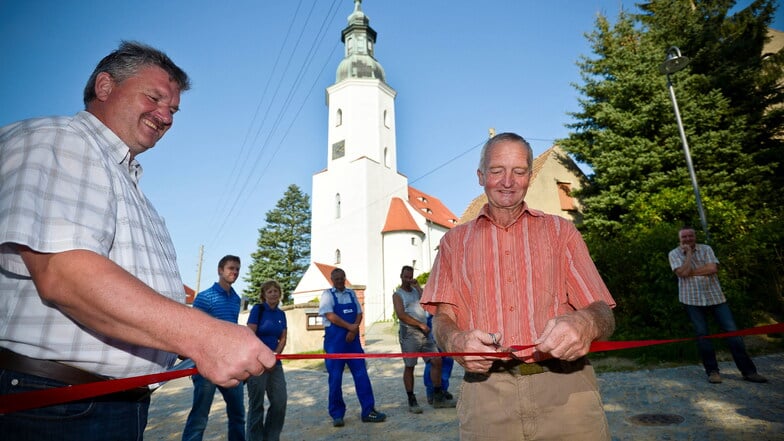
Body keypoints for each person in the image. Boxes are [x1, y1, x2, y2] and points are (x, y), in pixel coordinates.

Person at [0, 41, 275, 441]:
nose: (165, 116)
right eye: (155, 97)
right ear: (105, 86)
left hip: (102, 404)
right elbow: (64, 274)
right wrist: (203, 335)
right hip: (54, 406)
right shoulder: (62, 139)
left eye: (174, 110)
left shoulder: (128, 183)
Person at [421, 132, 617, 441]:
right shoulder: (453, 243)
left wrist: (586, 322)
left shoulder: (561, 231)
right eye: (497, 170)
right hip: (485, 396)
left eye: (519, 171)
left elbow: (603, 311)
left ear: (529, 175)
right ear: (481, 176)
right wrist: (455, 339)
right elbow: (442, 319)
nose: (507, 181)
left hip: (567, 391)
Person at [668, 227, 768, 384]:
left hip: (715, 297)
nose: (688, 239)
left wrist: (689, 271)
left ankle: (749, 372)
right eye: (684, 237)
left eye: (690, 236)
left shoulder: (706, 249)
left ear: (695, 236)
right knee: (703, 336)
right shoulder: (674, 254)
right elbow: (681, 273)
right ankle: (712, 372)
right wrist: (687, 255)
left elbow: (712, 268)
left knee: (733, 333)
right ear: (679, 239)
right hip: (692, 300)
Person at [183, 255, 247, 441]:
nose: (234, 272)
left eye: (237, 269)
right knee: (199, 418)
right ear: (220, 270)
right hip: (206, 367)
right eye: (230, 268)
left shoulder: (236, 299)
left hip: (231, 366)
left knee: (238, 416)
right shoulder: (204, 297)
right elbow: (194, 331)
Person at [319, 268, 386, 427]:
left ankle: (368, 411)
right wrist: (350, 327)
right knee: (335, 379)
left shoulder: (351, 294)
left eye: (342, 278)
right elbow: (330, 315)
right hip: (335, 344)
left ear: (345, 278)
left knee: (362, 375)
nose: (340, 281)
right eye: (337, 279)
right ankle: (337, 414)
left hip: (353, 343)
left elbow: (359, 312)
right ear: (332, 280)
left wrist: (354, 328)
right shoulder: (327, 295)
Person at [393, 265, 455, 413]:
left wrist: (418, 287)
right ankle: (411, 398)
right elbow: (401, 315)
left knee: (437, 360)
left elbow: (427, 303)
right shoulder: (398, 294)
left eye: (410, 276)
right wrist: (420, 324)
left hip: (424, 332)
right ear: (401, 276)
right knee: (410, 366)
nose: (408, 279)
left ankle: (437, 394)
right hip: (409, 333)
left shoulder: (415, 291)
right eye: (406, 276)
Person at [246, 280, 288, 441]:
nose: (273, 294)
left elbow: (283, 338)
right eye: (269, 291)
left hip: (275, 364)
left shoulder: (281, 314)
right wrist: (264, 357)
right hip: (257, 363)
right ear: (264, 295)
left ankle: (272, 437)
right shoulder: (258, 309)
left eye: (276, 291)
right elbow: (249, 335)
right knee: (256, 406)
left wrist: (275, 355)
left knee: (280, 401)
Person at [422, 313, 454, 405]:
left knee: (447, 358)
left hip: (448, 319)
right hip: (433, 318)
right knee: (434, 359)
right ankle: (432, 392)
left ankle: (443, 389)